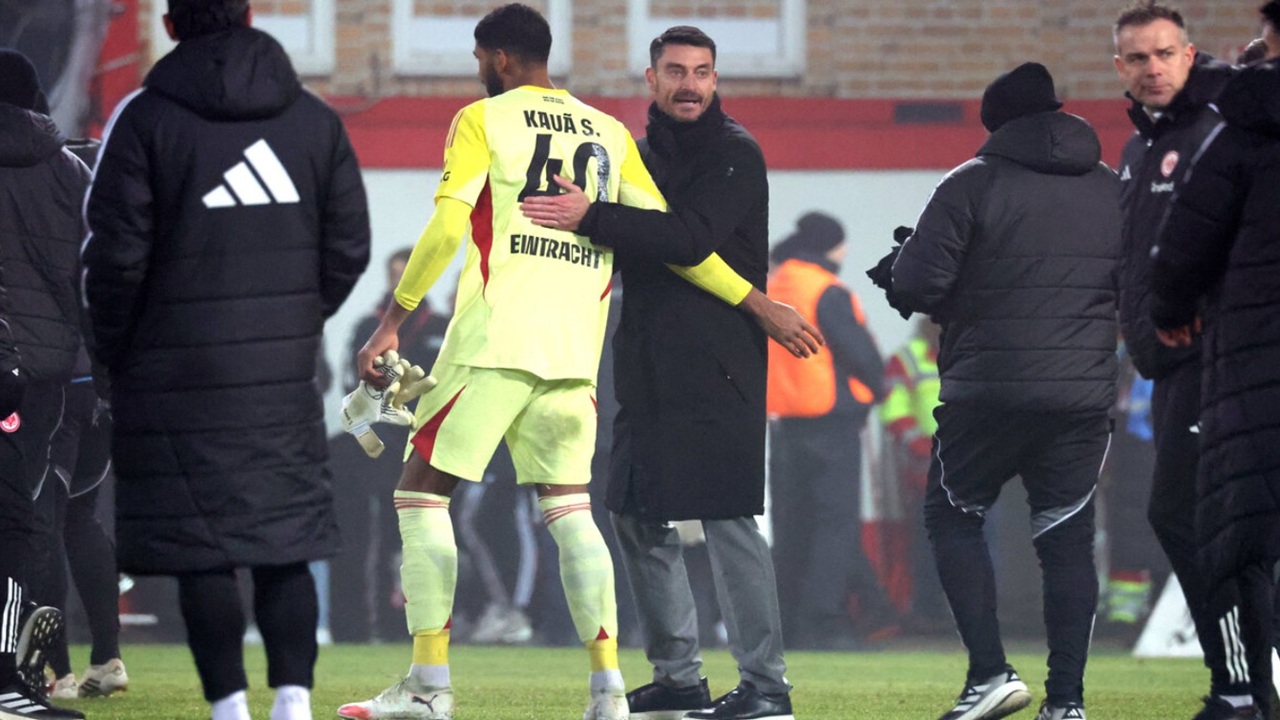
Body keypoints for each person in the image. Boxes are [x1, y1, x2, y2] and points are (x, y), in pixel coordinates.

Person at [334, 7, 792, 720]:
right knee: (573, 510)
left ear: (499, 60)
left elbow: (450, 224)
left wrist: (393, 320)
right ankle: (610, 689)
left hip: (494, 342)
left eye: (481, 59)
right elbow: (686, 246)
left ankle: (427, 688)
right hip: (575, 356)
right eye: (677, 70)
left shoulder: (483, 118)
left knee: (421, 494)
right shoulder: (610, 135)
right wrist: (756, 301)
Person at [522, 25, 825, 720]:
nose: (691, 83)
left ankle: (766, 686)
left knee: (728, 519)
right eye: (677, 71)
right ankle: (680, 677)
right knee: (633, 513)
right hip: (646, 364)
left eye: (704, 72)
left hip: (722, 362)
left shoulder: (735, 154)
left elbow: (688, 239)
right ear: (650, 79)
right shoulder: (632, 152)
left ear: (716, 81)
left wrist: (592, 215)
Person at [81, 0, 372, 717]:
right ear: (246, 18)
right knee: (283, 540)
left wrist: (115, 351)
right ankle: (295, 700)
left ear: (173, 26)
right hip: (279, 377)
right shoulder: (314, 119)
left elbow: (113, 258)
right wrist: (295, 321)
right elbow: (349, 247)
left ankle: (229, 708)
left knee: (202, 547)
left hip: (173, 379)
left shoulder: (144, 118)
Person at [882, 62, 1120, 720]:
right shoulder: (1113, 189)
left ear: (997, 126)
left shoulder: (971, 183)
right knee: (1067, 542)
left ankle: (990, 674)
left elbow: (919, 288)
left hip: (985, 392)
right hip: (1080, 399)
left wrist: (899, 269)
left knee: (953, 517)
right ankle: (1067, 702)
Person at [1111, 4, 1269, 718]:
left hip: (1217, 356)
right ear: (1120, 67)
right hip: (1169, 362)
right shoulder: (1139, 149)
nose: (1152, 69)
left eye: (1164, 54)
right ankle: (1246, 690)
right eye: (1138, 58)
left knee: (1194, 517)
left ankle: (1239, 687)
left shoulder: (1218, 132)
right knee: (1207, 522)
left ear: (1190, 54)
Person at [1149, 21, 1280, 720]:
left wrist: (1168, 309)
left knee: (1238, 535)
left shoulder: (1236, 135)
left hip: (1251, 366)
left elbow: (1182, 249)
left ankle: (1245, 692)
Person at [0, 47, 89, 720]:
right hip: (38, 379)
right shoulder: (69, 172)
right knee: (20, 523)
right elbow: (90, 279)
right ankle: (9, 681)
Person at [766, 211, 891, 650]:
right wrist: (876, 391)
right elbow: (860, 355)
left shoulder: (773, 285)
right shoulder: (826, 290)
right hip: (831, 424)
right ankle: (824, 623)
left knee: (791, 527)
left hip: (782, 427)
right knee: (833, 528)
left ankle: (791, 625)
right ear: (832, 247)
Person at [878, 316, 947, 632]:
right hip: (926, 471)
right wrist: (925, 449)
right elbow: (895, 410)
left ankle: (967, 613)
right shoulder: (907, 358)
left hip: (972, 467)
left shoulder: (975, 354)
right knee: (927, 543)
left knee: (979, 543)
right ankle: (929, 614)